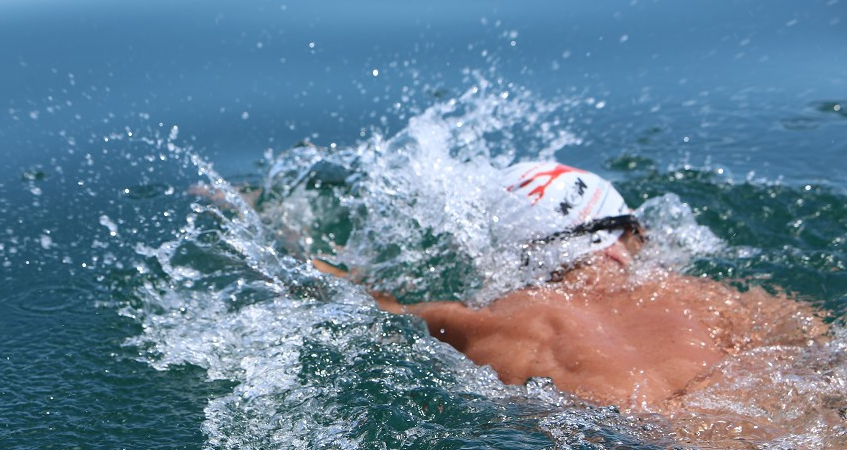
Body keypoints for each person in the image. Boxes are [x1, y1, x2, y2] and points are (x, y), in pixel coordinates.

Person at [312, 162, 827, 411]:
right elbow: (825, 354)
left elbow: (362, 303)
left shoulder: (484, 321)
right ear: (621, 238)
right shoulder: (713, 299)